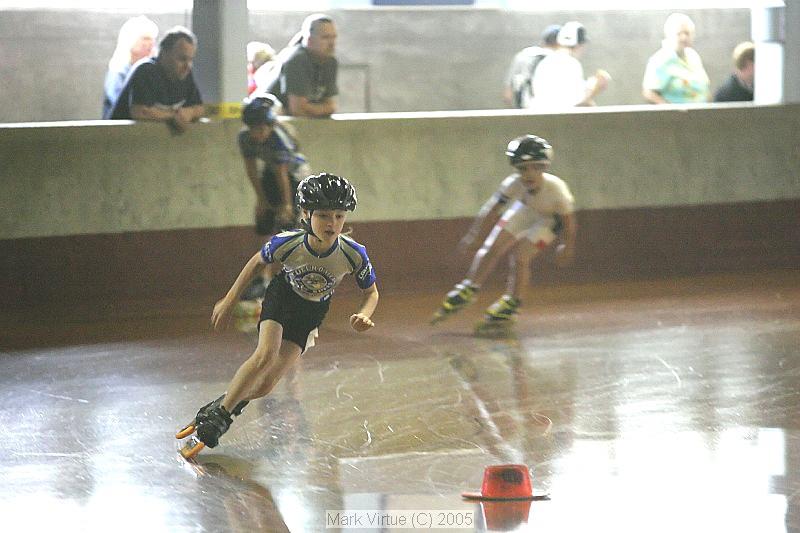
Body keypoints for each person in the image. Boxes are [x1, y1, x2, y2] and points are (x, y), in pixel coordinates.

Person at [177, 173, 379, 458]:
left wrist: (364, 314)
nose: (332, 223)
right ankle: (219, 420)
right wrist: (230, 299)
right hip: (282, 298)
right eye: (322, 215)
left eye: (339, 215)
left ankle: (220, 406)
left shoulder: (354, 254)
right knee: (265, 355)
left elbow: (371, 292)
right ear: (306, 214)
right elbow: (256, 263)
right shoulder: (288, 243)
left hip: (311, 312)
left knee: (265, 386)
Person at [431, 135, 576, 331]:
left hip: (548, 220)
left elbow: (568, 221)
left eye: (536, 167)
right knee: (492, 246)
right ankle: (470, 286)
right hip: (524, 209)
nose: (529, 174)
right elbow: (491, 210)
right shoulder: (513, 184)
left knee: (520, 257)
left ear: (545, 167)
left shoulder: (557, 190)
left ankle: (512, 302)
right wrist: (475, 235)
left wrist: (566, 245)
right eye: (523, 169)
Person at [109, 26, 204, 133]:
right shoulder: (145, 71)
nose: (187, 66)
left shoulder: (185, 74)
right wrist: (174, 116)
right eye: (182, 59)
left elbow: (200, 108)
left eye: (190, 60)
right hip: (119, 140)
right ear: (163, 54)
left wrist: (190, 112)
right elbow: (140, 112)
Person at [263, 14, 338, 118]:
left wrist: (311, 108)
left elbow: (331, 107)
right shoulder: (297, 60)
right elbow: (297, 111)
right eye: (325, 37)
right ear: (309, 40)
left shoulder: (330, 62)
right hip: (268, 124)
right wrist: (321, 109)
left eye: (334, 37)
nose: (332, 43)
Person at [527, 21, 611, 109]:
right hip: (557, 119)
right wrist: (596, 88)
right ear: (579, 45)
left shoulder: (545, 62)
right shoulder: (571, 64)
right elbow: (576, 103)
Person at [642, 13, 710, 104]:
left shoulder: (693, 56)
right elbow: (649, 93)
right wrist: (670, 110)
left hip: (700, 113)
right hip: (675, 116)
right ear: (668, 35)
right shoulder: (660, 59)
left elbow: (705, 86)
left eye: (687, 33)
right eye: (679, 34)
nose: (684, 37)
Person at [102, 15, 159, 119]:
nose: (151, 43)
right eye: (145, 39)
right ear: (131, 40)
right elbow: (118, 104)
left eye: (152, 39)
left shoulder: (151, 72)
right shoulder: (118, 72)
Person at [503, 24, 561, 109]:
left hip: (523, 105)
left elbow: (508, 92)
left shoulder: (525, 54)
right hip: (548, 107)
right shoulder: (560, 60)